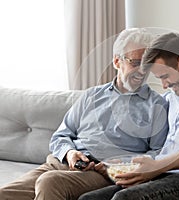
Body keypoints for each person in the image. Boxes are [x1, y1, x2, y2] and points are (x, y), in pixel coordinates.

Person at [0, 28, 168, 200]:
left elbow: (159, 153)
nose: (142, 70)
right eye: (135, 62)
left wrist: (121, 164)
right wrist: (70, 153)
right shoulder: (91, 96)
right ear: (117, 62)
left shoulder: (157, 105)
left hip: (102, 174)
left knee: (49, 182)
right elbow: (61, 136)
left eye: (147, 64)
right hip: (62, 163)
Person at [79, 32, 179, 200]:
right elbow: (159, 146)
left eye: (165, 76)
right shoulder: (174, 96)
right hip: (169, 176)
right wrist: (128, 163)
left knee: (125, 199)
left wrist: (158, 166)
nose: (164, 86)